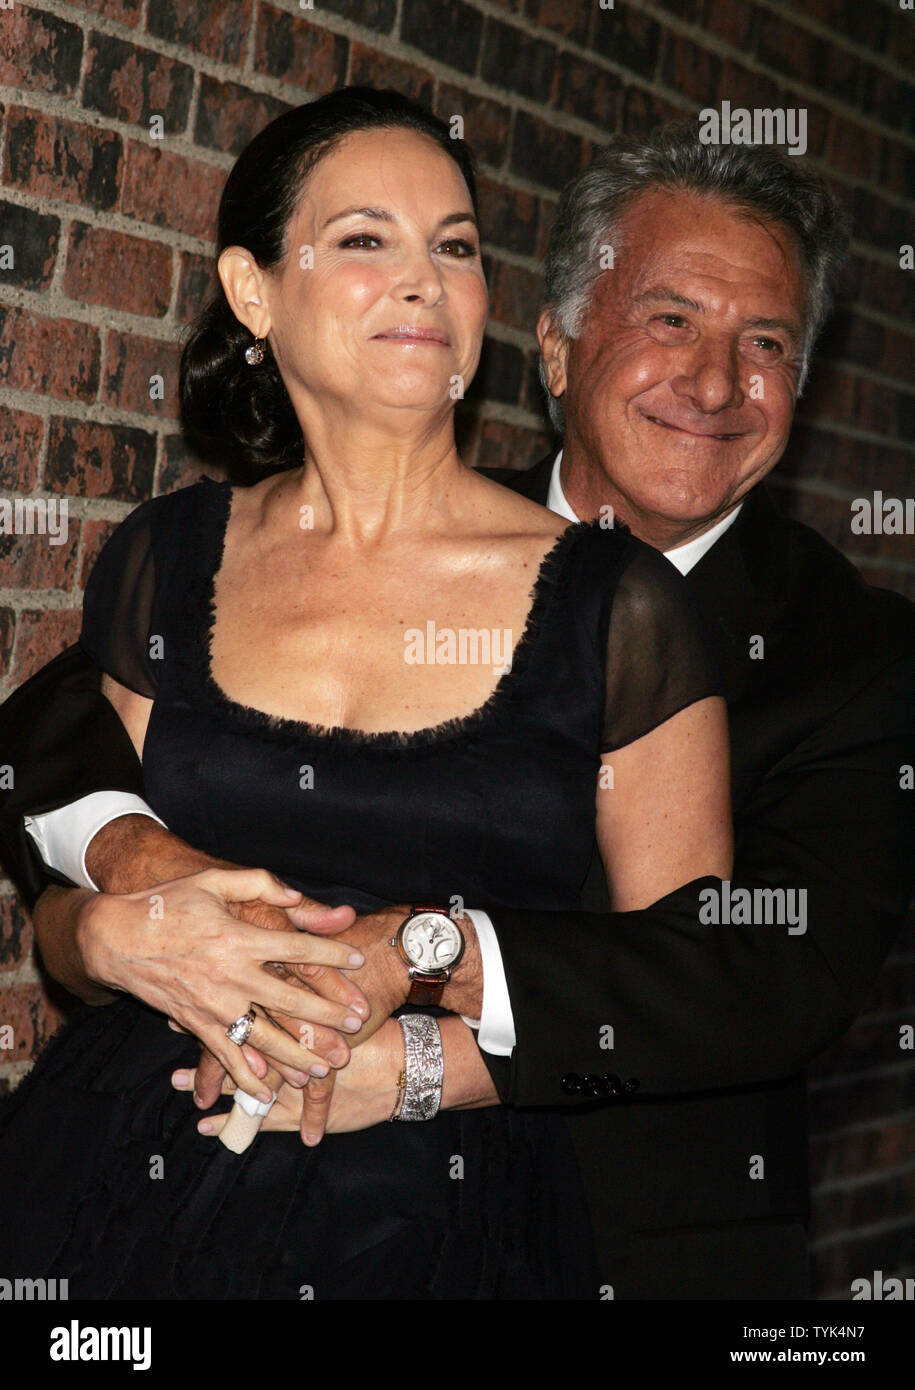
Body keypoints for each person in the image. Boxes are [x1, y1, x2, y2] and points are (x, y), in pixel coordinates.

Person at [0, 91, 731, 1300]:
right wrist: (114, 935)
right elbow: (74, 931)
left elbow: (686, 990)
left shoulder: (617, 603)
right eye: (363, 239)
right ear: (252, 291)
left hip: (442, 1223)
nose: (422, 279)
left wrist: (423, 1063)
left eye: (453, 245)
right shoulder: (167, 558)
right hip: (116, 1188)